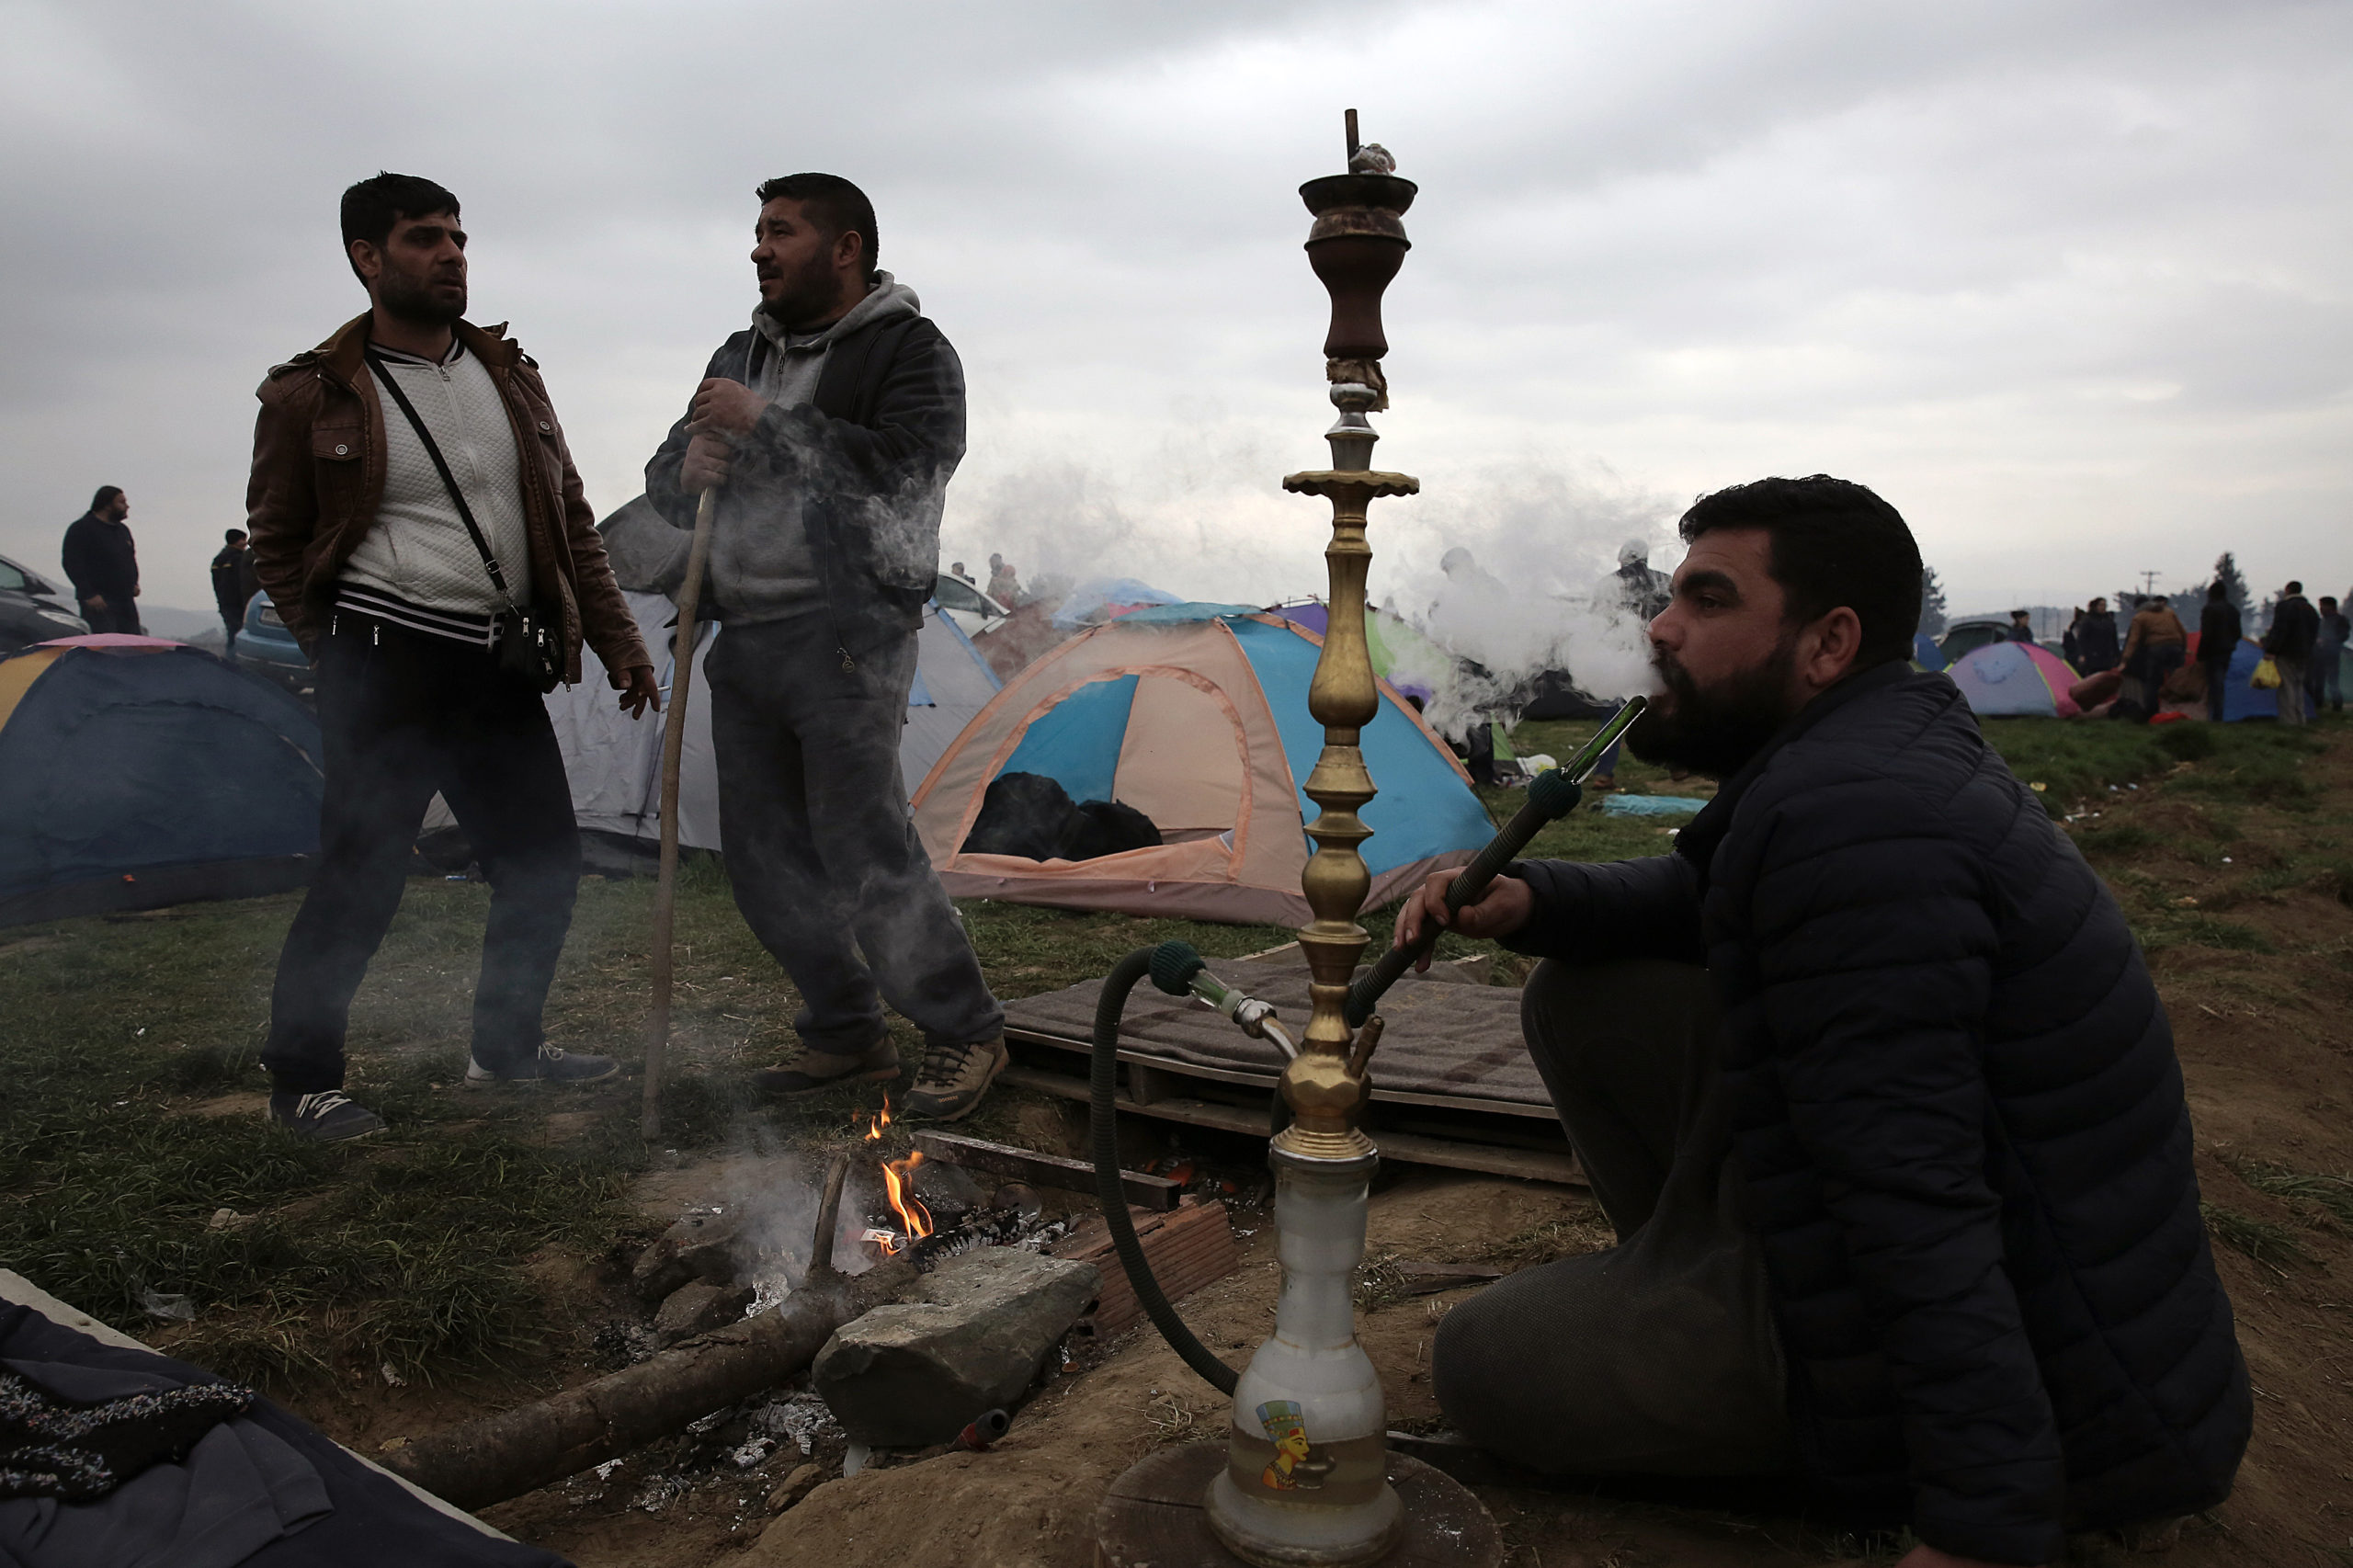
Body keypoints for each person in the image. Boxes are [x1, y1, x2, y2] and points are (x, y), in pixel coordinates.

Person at [1404, 475, 2248, 1568]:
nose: (1658, 627)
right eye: (1669, 596)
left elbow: (1914, 1186)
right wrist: (1536, 900)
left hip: (2068, 1400)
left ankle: (1785, 1401)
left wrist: (1982, 1521)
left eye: (1707, 600)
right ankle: (1696, 1280)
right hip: (2008, 1294)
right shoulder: (1860, 749)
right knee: (1586, 994)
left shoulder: (1853, 822)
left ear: (1827, 641)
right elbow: (1701, 899)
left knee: (1479, 1360)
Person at [245, 173, 656, 1142]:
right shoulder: (310, 392)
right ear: (367, 258)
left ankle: (505, 1051)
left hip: (495, 663)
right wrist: (335, 651)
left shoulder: (509, 374)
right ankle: (301, 1081)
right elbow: (275, 536)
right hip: (382, 662)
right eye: (426, 239)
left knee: (545, 863)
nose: (452, 255)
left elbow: (570, 519)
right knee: (362, 872)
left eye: (459, 238)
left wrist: (618, 635)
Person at [643, 173, 1006, 1120]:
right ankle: (845, 1026)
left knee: (861, 846)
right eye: (758, 232)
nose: (760, 249)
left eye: (782, 231)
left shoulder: (909, 350)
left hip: (848, 635)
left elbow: (907, 471)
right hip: (747, 631)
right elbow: (668, 476)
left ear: (844, 248)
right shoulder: (739, 352)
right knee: (759, 857)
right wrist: (688, 466)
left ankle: (965, 1028)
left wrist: (767, 424)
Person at [1586, 540, 1674, 790]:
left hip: (1620, 659)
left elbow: (1595, 623)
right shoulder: (1663, 580)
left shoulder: (1609, 584)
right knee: (1666, 710)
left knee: (1613, 717)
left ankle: (1603, 774)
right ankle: (1676, 764)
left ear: (1622, 558)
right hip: (1658, 657)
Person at [61, 486, 142, 634]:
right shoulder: (82, 528)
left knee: (133, 647)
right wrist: (88, 594)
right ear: (107, 505)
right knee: (105, 648)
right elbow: (72, 563)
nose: (127, 506)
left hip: (125, 600)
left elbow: (130, 559)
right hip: (100, 602)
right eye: (121, 502)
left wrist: (134, 582)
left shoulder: (122, 531)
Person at [2120, 594, 2188, 717]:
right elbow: (2182, 631)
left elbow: (2133, 640)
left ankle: (2152, 713)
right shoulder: (2169, 612)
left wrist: (2125, 659)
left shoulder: (2139, 617)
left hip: (2157, 648)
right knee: (2177, 681)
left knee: (2153, 682)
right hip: (2176, 647)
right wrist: (2184, 649)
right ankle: (2180, 711)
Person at [2262, 580, 2318, 726]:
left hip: (2286, 653)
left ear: (2287, 590)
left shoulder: (2285, 607)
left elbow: (2280, 630)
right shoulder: (2310, 609)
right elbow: (2314, 633)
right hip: (2305, 654)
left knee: (2286, 686)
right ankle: (2301, 719)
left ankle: (2289, 721)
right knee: (2299, 686)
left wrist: (2271, 650)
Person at [2198, 581, 2243, 722]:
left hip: (2212, 652)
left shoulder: (2209, 609)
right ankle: (2217, 714)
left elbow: (2206, 634)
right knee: (2220, 682)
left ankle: (2215, 716)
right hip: (2227, 651)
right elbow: (2238, 633)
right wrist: (2231, 644)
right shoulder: (2232, 609)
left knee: (2214, 684)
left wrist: (2201, 654)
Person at [210, 528, 260, 656]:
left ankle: (231, 663)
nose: (246, 542)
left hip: (224, 603)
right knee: (239, 635)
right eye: (244, 539)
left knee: (232, 633)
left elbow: (217, 584)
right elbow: (245, 582)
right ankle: (236, 663)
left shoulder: (218, 559)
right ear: (238, 541)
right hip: (238, 604)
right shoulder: (239, 559)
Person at [2313, 595, 2347, 714]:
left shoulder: (2340, 620)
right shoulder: (2322, 621)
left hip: (2332, 655)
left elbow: (2343, 636)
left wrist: (2328, 641)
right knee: (2318, 681)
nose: (2321, 609)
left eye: (2322, 606)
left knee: (2333, 681)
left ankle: (2337, 705)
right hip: (2319, 655)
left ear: (2330, 606)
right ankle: (2318, 703)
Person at [2074, 596, 2120, 675]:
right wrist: (2082, 654)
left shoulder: (2109, 621)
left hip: (2107, 657)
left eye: (2105, 605)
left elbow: (2114, 639)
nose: (2103, 607)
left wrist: (2117, 655)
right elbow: (2082, 639)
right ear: (2095, 606)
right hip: (2092, 657)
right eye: (2101, 605)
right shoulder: (2088, 620)